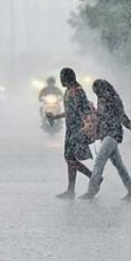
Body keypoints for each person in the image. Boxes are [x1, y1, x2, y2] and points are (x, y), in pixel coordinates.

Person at [78, 79, 131, 200]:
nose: (98, 95)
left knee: (99, 161)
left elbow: (123, 116)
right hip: (105, 134)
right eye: (96, 93)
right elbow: (101, 116)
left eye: (98, 92)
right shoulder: (101, 100)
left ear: (104, 89)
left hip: (113, 134)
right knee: (119, 165)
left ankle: (92, 190)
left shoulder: (114, 100)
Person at [46, 68, 94, 198]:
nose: (61, 80)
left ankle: (93, 177)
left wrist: (86, 126)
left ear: (68, 78)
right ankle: (71, 190)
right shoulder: (68, 91)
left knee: (69, 157)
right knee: (70, 158)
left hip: (78, 128)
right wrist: (55, 117)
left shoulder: (77, 92)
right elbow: (70, 112)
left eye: (62, 77)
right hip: (70, 128)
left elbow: (82, 111)